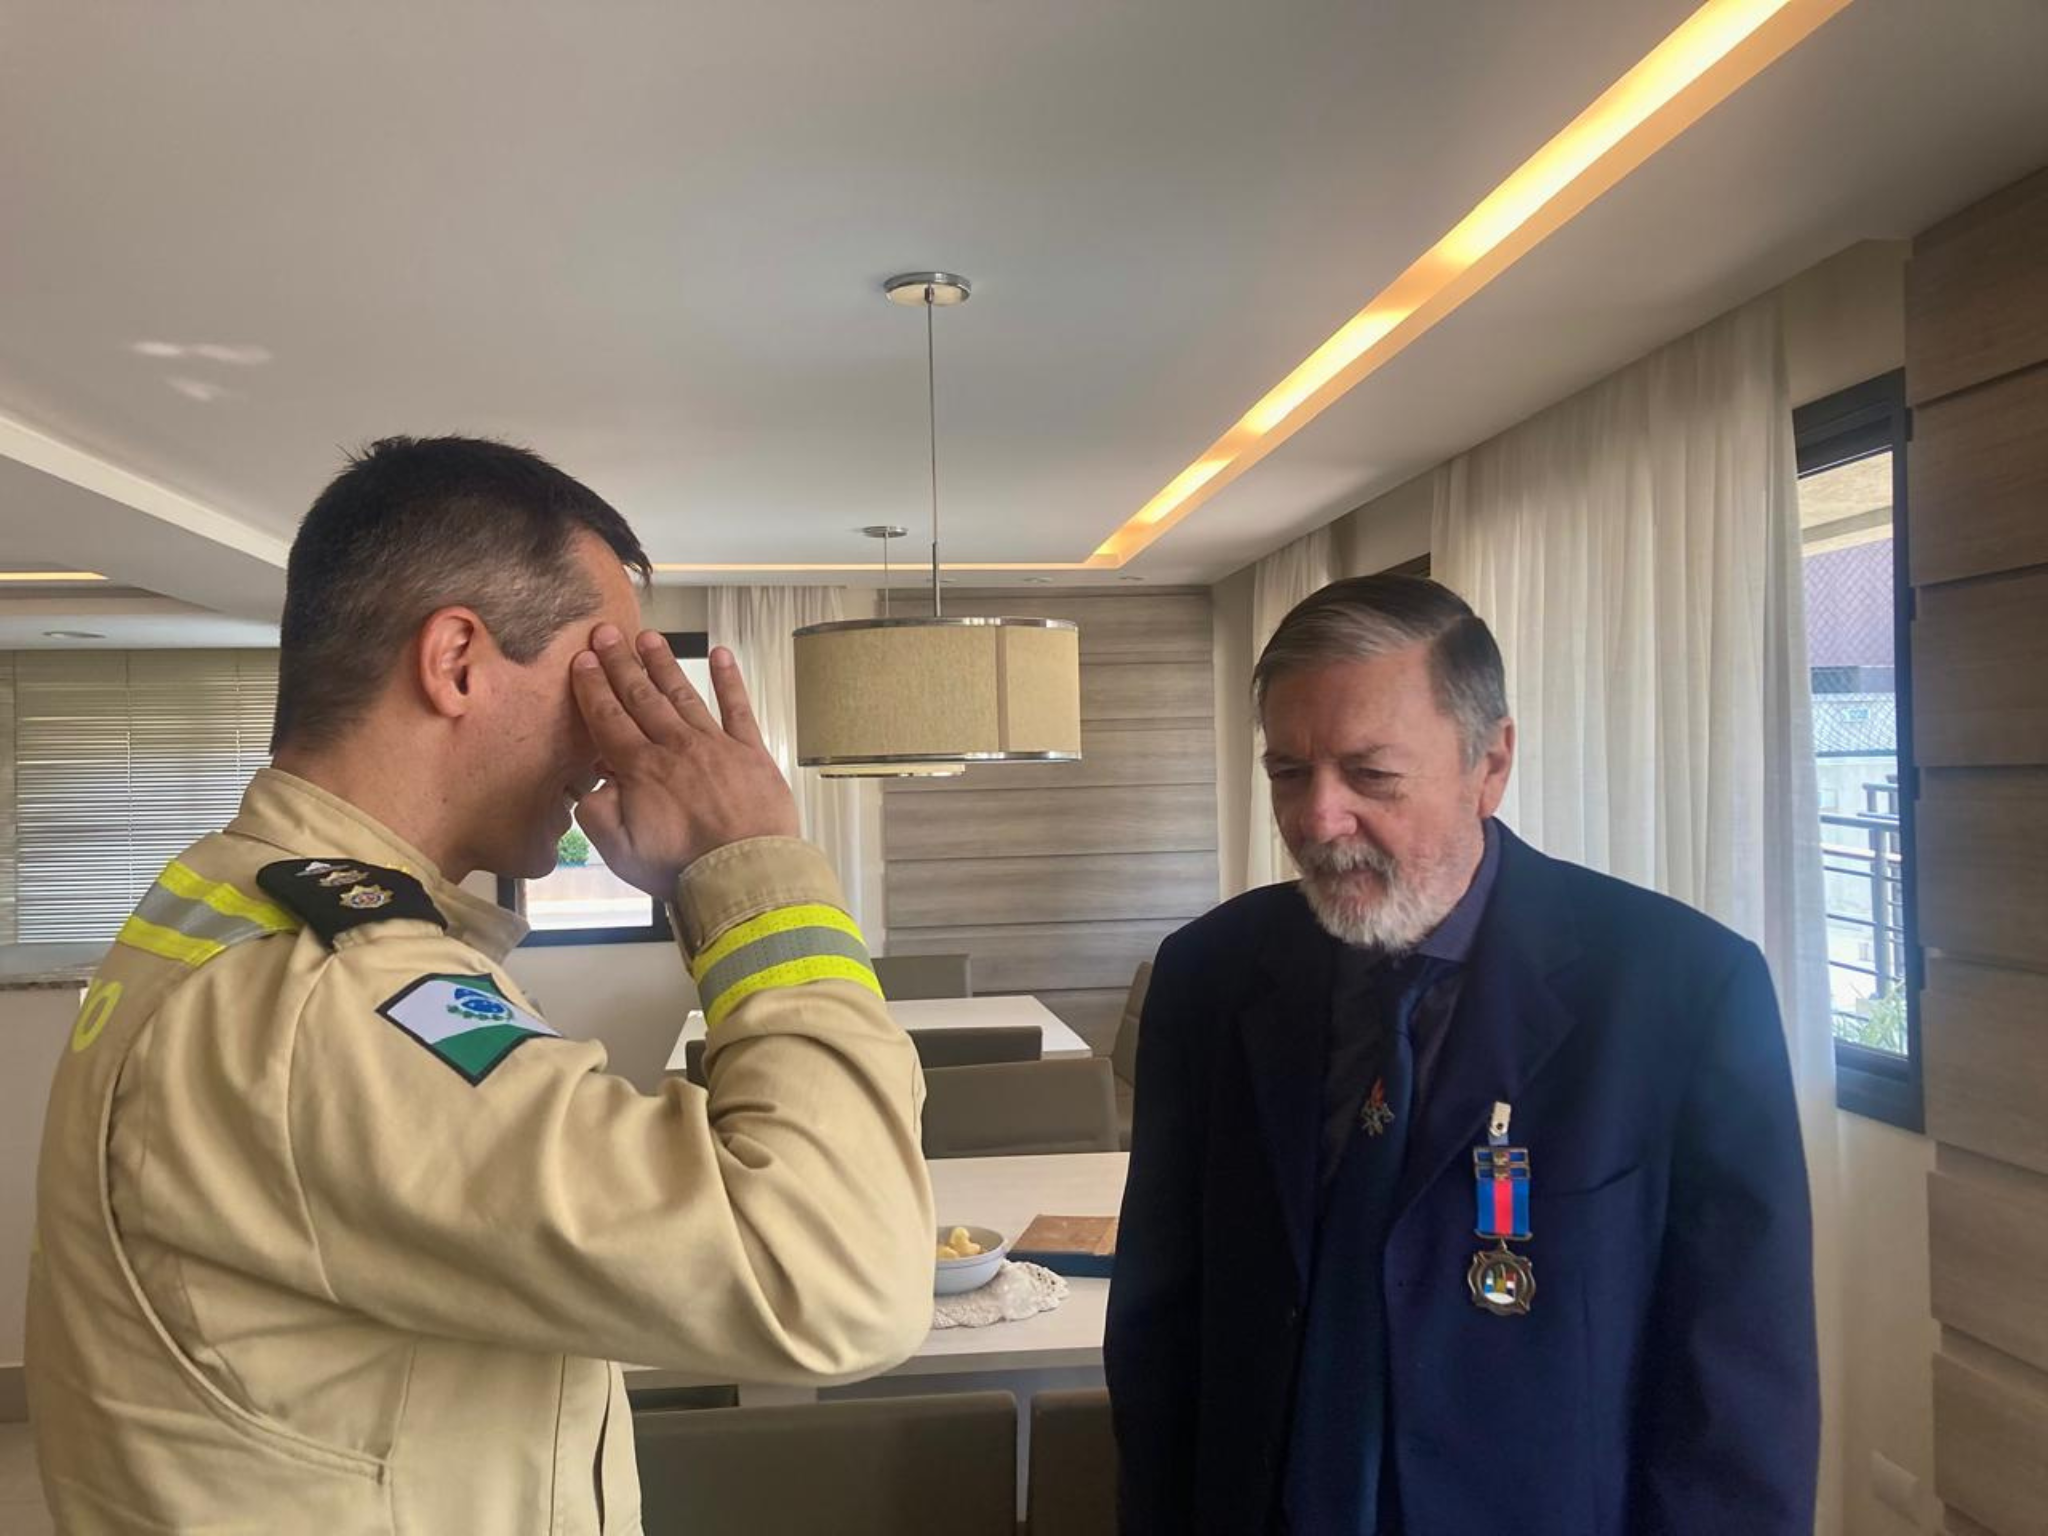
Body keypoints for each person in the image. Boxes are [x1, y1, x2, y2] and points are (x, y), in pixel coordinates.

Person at [27, 436, 935, 1534]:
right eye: (604, 675)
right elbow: (837, 1280)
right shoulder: (335, 997)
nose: (614, 742)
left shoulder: (232, 900)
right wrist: (755, 873)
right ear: (456, 659)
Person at [1105, 575, 1818, 1535]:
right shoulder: (1211, 976)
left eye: (1371, 775)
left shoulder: (1680, 992)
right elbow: (1158, 1323)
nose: (1318, 818)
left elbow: (1739, 1393)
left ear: (1491, 764)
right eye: (1288, 772)